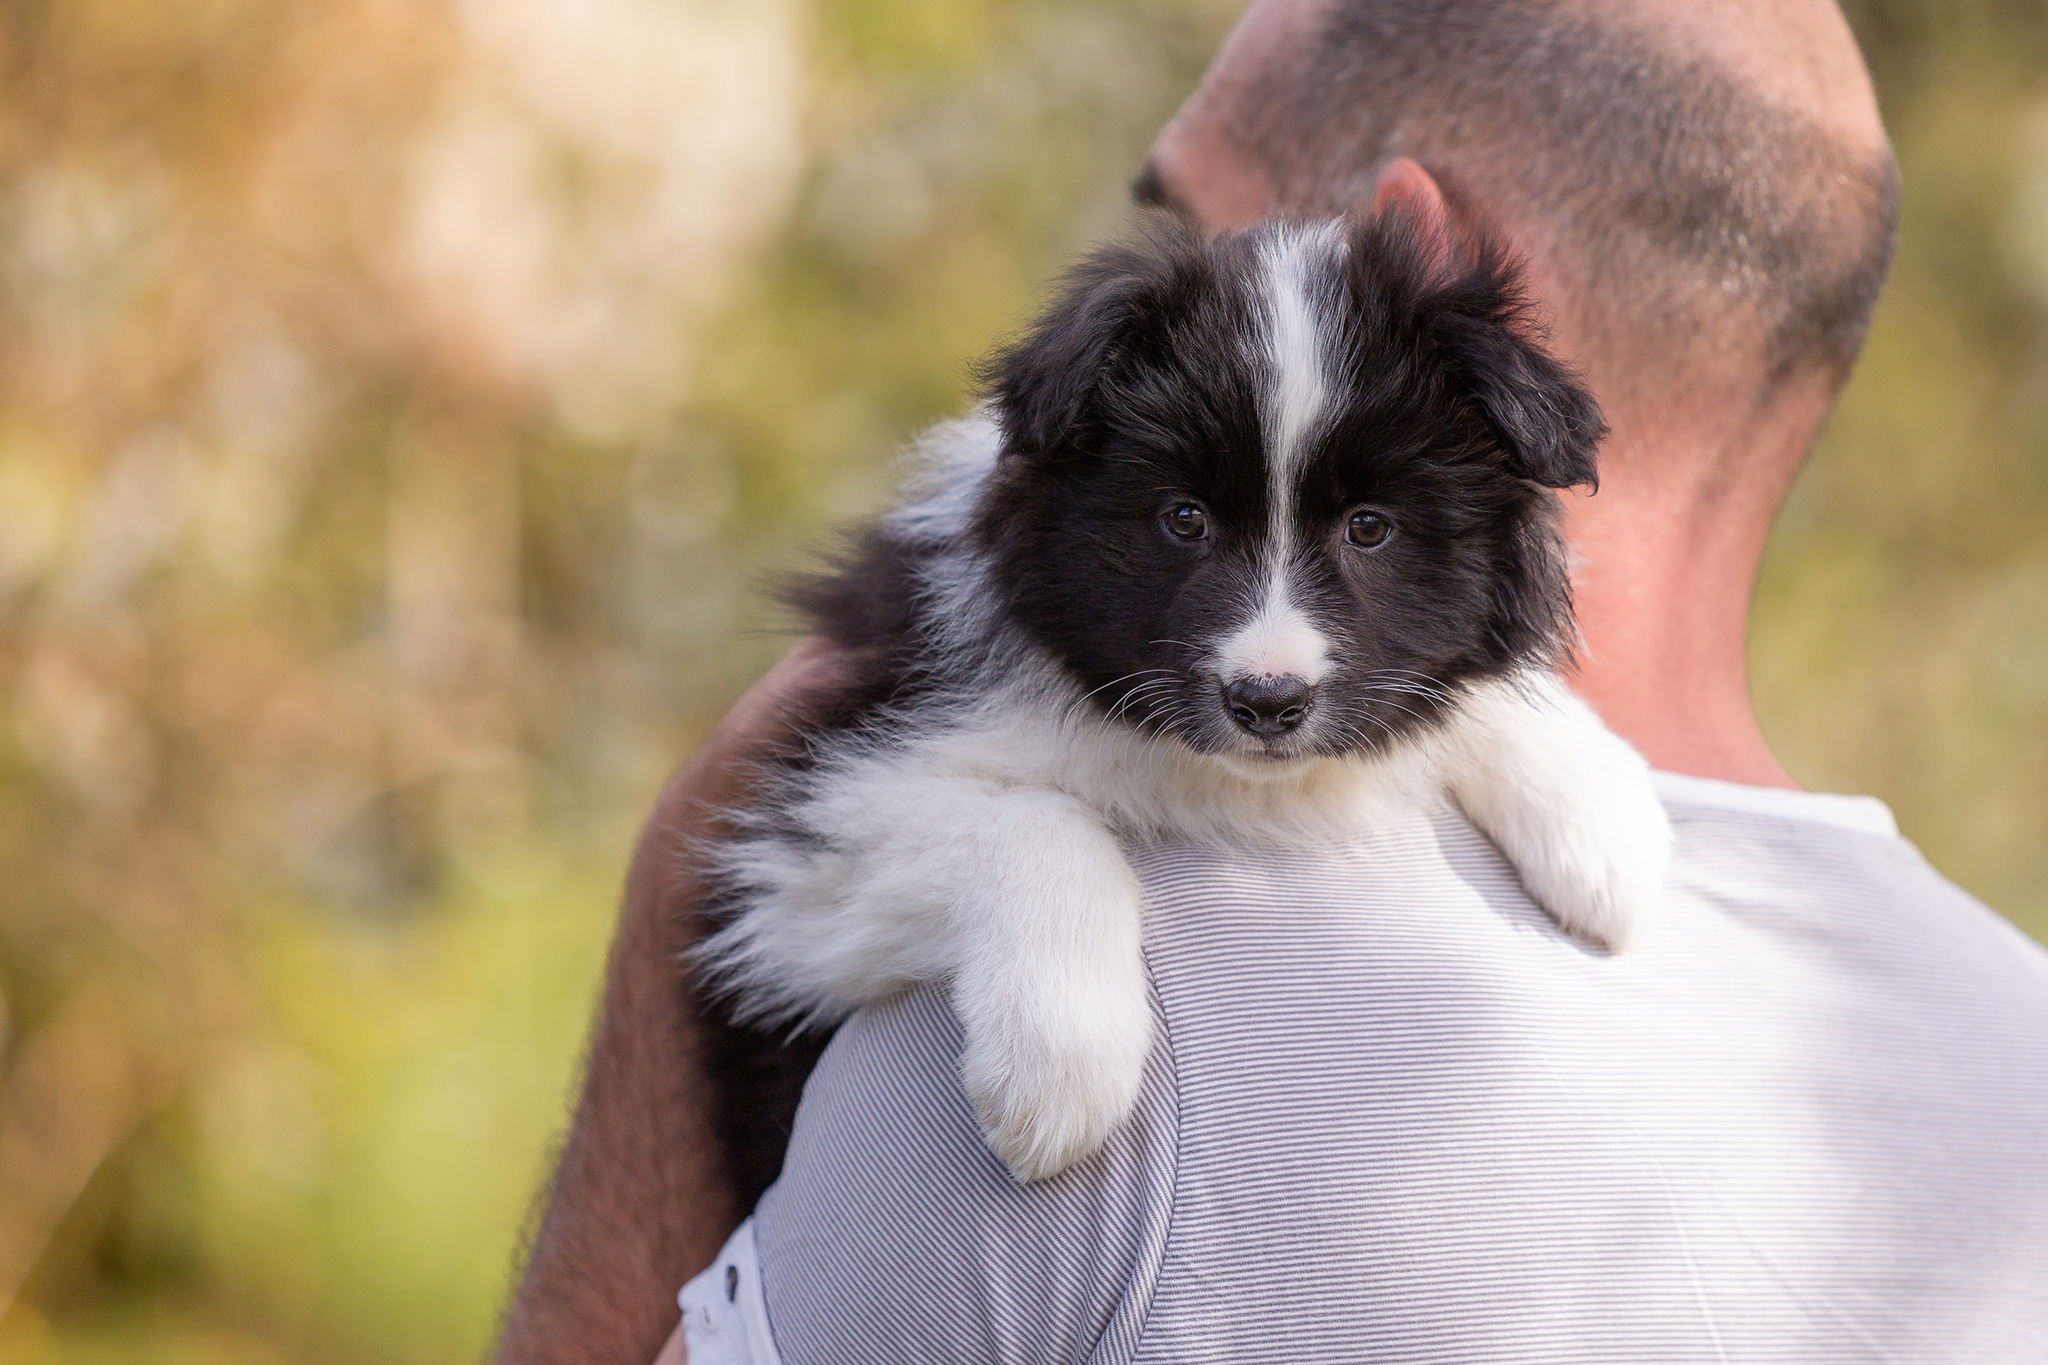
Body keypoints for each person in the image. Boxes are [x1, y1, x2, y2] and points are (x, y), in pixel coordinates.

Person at [494, 2, 2048, 1362]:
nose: (1271, 647)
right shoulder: (2017, 1072)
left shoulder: (1075, 1050)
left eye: (1186, 206)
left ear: (1409, 233)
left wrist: (669, 893)